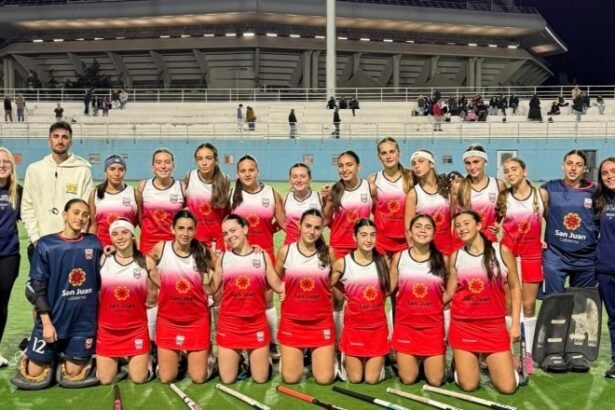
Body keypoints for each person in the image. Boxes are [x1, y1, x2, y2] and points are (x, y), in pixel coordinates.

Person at [12, 199, 102, 390]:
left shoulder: (94, 244)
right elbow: (37, 286)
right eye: (76, 212)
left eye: (85, 215)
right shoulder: (46, 244)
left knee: (73, 374)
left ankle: (66, 356)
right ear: (64, 215)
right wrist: (46, 324)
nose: (80, 218)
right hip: (52, 322)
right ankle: (42, 353)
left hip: (82, 324)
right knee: (34, 374)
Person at [447, 210, 521, 394]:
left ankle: (503, 368)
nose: (461, 228)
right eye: (457, 226)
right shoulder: (456, 256)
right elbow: (449, 292)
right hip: (463, 325)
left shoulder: (501, 251)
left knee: (507, 388)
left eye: (466, 223)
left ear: (479, 225)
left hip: (493, 326)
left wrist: (515, 325)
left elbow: (515, 288)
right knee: (469, 385)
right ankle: (461, 368)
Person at [211, 214, 285, 383]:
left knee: (260, 379)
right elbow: (212, 287)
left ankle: (263, 359)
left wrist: (300, 283)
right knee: (227, 379)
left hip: (256, 323)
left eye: (233, 230)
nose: (229, 236)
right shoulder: (223, 258)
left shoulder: (262, 256)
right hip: (230, 323)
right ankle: (242, 361)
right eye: (225, 233)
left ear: (245, 229)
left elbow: (278, 285)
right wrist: (189, 281)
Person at [148, 210, 215, 384]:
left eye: (190, 229)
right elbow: (144, 264)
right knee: (166, 378)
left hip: (197, 320)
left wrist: (211, 287)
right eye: (181, 228)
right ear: (172, 229)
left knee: (198, 378)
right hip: (168, 320)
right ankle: (176, 359)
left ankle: (208, 355)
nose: (185, 233)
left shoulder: (202, 250)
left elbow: (221, 266)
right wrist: (162, 284)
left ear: (195, 230)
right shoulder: (161, 248)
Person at [230, 155, 285, 357]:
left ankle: (272, 343)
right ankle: (240, 341)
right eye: (243, 171)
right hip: (237, 256)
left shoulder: (271, 193)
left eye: (251, 170)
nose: (247, 174)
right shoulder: (231, 195)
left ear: (258, 172)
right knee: (240, 300)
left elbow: (284, 223)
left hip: (264, 253)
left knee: (267, 301)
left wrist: (269, 231)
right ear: (237, 174)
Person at [275, 209, 337, 384]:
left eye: (317, 228)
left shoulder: (329, 252)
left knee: (324, 379)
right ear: (299, 226)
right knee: (291, 378)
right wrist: (283, 289)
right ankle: (288, 360)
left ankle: (331, 358)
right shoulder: (286, 251)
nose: (312, 231)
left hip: (321, 321)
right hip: (292, 321)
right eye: (308, 226)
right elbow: (275, 277)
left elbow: (336, 277)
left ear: (322, 229)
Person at [495, 157, 544, 367]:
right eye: (506, 171)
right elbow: (495, 225)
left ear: (525, 171)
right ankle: (509, 353)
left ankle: (528, 355)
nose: (510, 173)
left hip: (532, 256)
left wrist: (544, 239)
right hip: (509, 258)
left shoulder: (541, 195)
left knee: (529, 306)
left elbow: (549, 219)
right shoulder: (503, 197)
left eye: (514, 169)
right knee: (508, 306)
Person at [22, 121, 93, 261]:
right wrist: (36, 240)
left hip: (71, 245)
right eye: (56, 136)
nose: (60, 141)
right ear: (49, 141)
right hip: (40, 244)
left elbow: (86, 210)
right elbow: (27, 207)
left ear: (70, 142)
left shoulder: (83, 170)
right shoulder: (34, 170)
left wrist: (76, 240)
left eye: (65, 137)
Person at [96, 219, 157, 384]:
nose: (120, 237)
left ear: (133, 236)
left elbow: (161, 288)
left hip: (135, 329)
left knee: (139, 378)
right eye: (115, 234)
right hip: (108, 329)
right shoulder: (103, 259)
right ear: (111, 238)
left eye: (125, 232)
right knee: (105, 380)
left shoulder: (146, 261)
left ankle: (149, 357)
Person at [390, 214, 447, 385]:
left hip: (432, 326)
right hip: (406, 326)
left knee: (435, 380)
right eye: (418, 226)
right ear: (409, 232)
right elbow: (389, 288)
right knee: (408, 379)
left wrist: (438, 303)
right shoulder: (399, 257)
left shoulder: (443, 259)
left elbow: (452, 288)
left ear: (434, 233)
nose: (423, 230)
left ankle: (431, 363)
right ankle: (412, 361)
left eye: (428, 227)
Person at [332, 219, 389, 384]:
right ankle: (343, 358)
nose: (368, 240)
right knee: (355, 379)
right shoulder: (343, 263)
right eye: (363, 235)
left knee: (371, 380)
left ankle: (381, 361)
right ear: (354, 237)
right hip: (354, 328)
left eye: (372, 235)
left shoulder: (383, 261)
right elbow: (325, 284)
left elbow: (386, 291)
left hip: (377, 328)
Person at [540, 150, 598, 296]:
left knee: (581, 306)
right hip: (556, 256)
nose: (573, 168)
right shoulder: (549, 188)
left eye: (578, 165)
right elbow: (532, 212)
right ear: (563, 166)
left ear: (585, 169)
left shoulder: (596, 191)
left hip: (586, 259)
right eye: (569, 163)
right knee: (553, 303)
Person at [323, 151, 374, 260]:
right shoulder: (334, 191)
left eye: (349, 165)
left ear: (358, 166)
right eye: (340, 166)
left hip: (363, 245)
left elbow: (377, 214)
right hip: (338, 247)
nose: (344, 169)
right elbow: (326, 219)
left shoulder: (370, 188)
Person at [452, 145, 506, 247]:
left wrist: (497, 223)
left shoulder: (498, 184)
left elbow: (502, 210)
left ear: (485, 162)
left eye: (476, 162)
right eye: (468, 163)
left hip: (488, 240)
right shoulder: (457, 185)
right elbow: (452, 215)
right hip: (463, 241)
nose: (472, 167)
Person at [404, 150, 453, 257]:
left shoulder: (448, 187)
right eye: (413, 163)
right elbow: (408, 229)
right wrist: (414, 254)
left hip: (448, 247)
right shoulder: (413, 194)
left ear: (431, 164)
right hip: (425, 250)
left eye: (421, 161)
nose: (417, 166)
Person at [136, 148, 185, 255]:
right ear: (153, 167)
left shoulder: (182, 188)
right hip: (148, 244)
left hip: (174, 243)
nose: (163, 166)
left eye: (167, 162)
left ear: (173, 165)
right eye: (158, 162)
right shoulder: (143, 186)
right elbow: (139, 215)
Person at [369, 138, 412, 256]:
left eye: (392, 151)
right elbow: (371, 211)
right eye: (384, 153)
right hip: (380, 242)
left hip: (405, 240)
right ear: (379, 156)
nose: (388, 156)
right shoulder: (373, 179)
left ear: (399, 153)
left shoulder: (411, 177)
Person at [184, 143, 230, 251]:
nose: (204, 163)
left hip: (216, 240)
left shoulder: (225, 179)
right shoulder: (190, 176)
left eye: (208, 158)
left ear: (216, 160)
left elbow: (226, 214)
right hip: (194, 238)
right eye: (200, 159)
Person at [0, 147, 22, 367]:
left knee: (2, 304)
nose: (2, 165)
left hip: (8, 256)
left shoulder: (18, 192)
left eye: (6, 161)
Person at [593, 157, 615, 377]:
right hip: (606, 268)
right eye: (605, 173)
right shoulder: (601, 200)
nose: (610, 176)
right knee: (614, 318)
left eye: (613, 171)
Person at [88, 155, 139, 249]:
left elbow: (141, 224)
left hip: (126, 248)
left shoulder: (134, 194)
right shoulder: (94, 194)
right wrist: (90, 246)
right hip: (102, 248)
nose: (117, 173)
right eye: (112, 169)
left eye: (121, 169)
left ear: (125, 172)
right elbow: (93, 225)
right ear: (105, 172)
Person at [283, 163, 322, 246]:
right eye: (294, 177)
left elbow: (328, 220)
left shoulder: (320, 197)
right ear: (289, 180)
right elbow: (279, 222)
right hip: (290, 246)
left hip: (314, 246)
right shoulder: (285, 198)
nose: (299, 180)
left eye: (303, 176)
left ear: (310, 179)